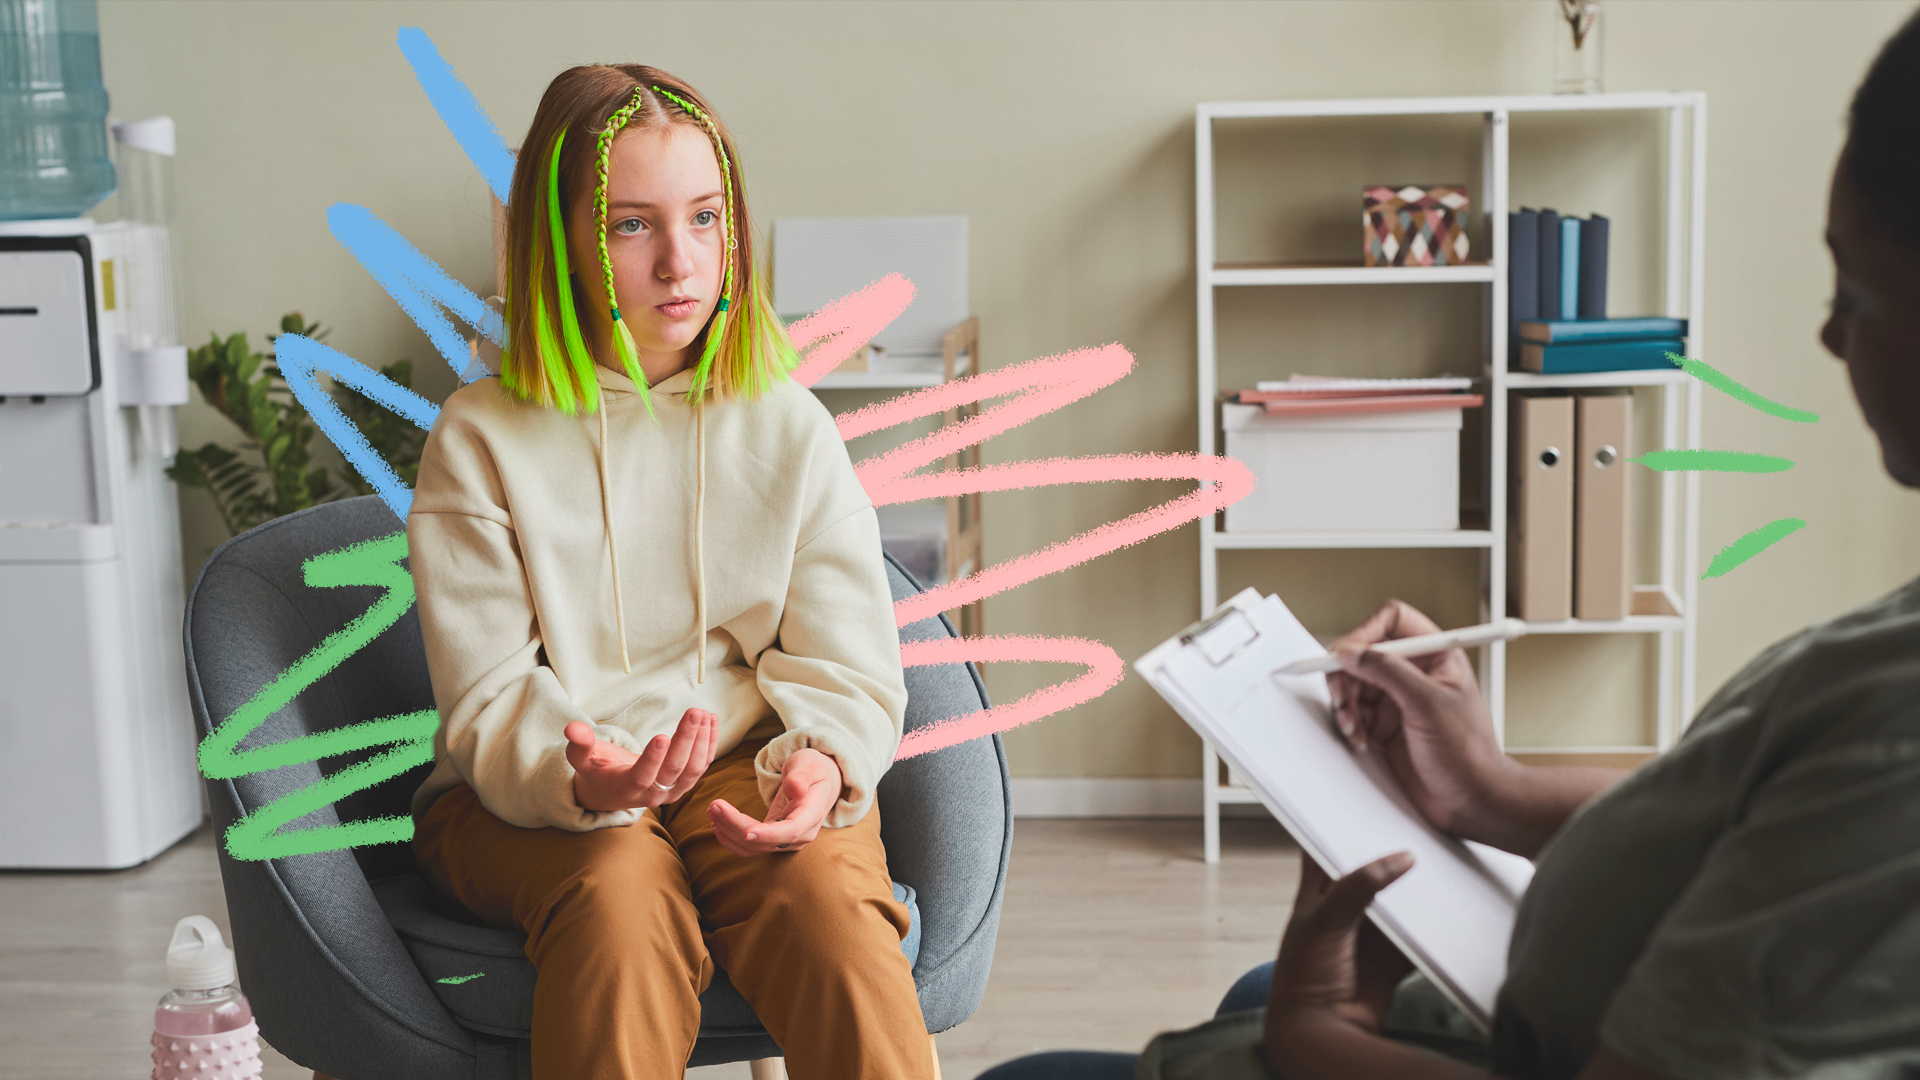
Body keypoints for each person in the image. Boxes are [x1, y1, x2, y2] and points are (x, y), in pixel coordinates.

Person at [982, 12, 1920, 1080]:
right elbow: (1756, 815)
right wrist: (1494, 791)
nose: (1831, 336)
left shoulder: (1902, 732)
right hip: (1544, 992)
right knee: (1248, 990)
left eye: (1854, 291)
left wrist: (1319, 1033)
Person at [403, 65, 932, 1080]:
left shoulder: (790, 427)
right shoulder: (478, 439)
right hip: (522, 787)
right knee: (615, 899)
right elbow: (487, 698)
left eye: (704, 217)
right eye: (630, 226)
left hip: (742, 761)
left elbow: (851, 664)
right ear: (557, 241)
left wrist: (821, 762)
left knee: (827, 905)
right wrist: (582, 773)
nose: (680, 262)